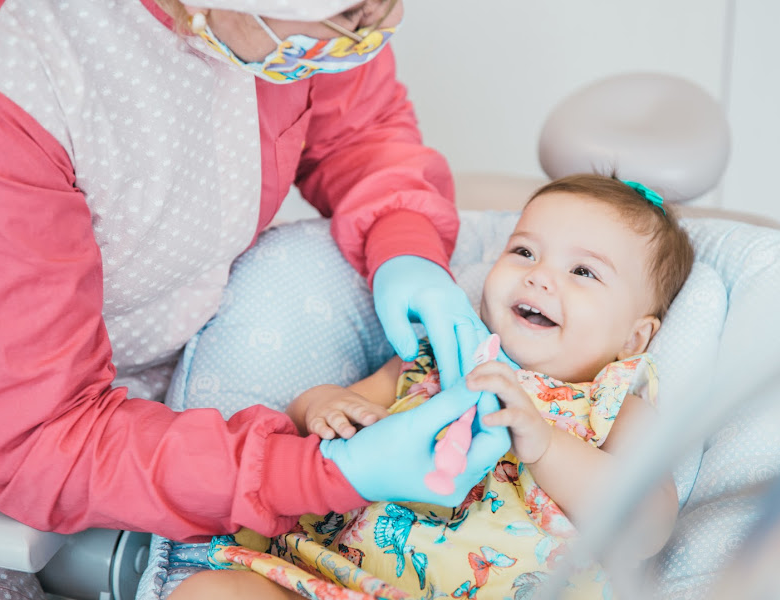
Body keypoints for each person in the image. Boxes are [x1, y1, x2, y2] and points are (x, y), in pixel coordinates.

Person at [0, 1, 508, 598]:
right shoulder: (17, 73)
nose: (376, 25)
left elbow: (357, 131)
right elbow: (38, 438)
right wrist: (313, 472)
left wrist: (405, 242)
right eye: (344, 18)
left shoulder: (297, 27)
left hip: (172, 375)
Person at [168, 173, 695, 599]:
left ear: (635, 337)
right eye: (524, 252)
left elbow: (647, 527)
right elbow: (321, 412)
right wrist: (324, 405)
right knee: (210, 592)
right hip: (330, 575)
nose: (539, 277)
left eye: (583, 272)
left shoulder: (612, 408)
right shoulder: (437, 359)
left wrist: (546, 444)